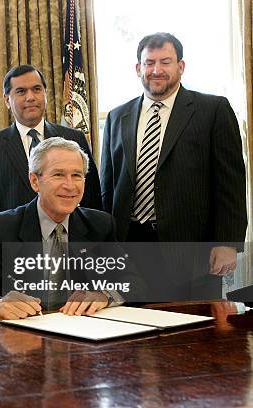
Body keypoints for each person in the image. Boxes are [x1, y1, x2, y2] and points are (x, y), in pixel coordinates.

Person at [100, 32, 246, 298]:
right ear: (138, 68)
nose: (156, 70)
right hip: (129, 249)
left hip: (192, 252)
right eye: (149, 62)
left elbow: (230, 183)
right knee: (134, 331)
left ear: (181, 66)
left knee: (194, 335)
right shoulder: (116, 117)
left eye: (165, 62)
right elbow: (107, 188)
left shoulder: (212, 110)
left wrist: (227, 243)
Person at [0, 137, 120, 321]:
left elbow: (135, 281)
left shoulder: (100, 225)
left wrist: (104, 295)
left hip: (86, 337)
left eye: (77, 175)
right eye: (58, 175)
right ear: (34, 181)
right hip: (22, 341)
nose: (70, 185)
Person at [0, 64, 102, 256]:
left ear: (45, 94)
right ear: (7, 100)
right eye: (21, 91)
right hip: (15, 253)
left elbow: (92, 200)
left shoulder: (74, 138)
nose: (31, 97)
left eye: (37, 89)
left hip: (72, 251)